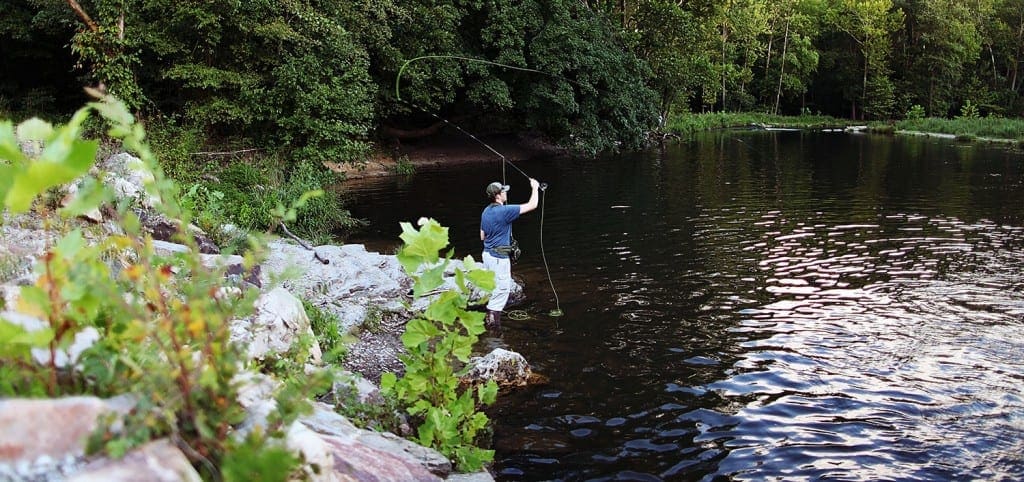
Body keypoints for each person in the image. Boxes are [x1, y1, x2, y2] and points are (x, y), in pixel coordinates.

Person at [480, 177, 540, 328]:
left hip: (487, 255)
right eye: (503, 191)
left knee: (495, 288)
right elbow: (533, 205)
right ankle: (494, 329)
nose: (506, 193)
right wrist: (535, 187)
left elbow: (482, 236)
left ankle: (490, 322)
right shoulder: (505, 211)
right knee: (502, 291)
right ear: (498, 196)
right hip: (499, 258)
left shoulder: (486, 211)